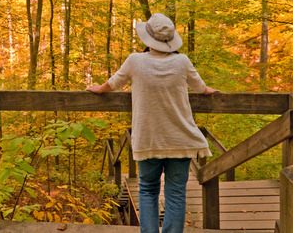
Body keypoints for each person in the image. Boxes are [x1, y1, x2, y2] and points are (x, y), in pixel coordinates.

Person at [86, 13, 219, 233]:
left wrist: (98, 89)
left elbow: (113, 84)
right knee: (176, 193)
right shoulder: (182, 61)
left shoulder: (135, 61)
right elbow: (201, 88)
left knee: (147, 190)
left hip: (148, 139)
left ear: (148, 38)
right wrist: (210, 92)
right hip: (180, 140)